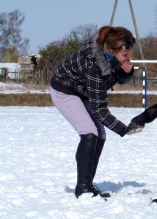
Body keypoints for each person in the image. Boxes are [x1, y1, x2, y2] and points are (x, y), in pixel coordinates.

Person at [50, 25, 140, 199]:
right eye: (125, 55)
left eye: (130, 54)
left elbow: (113, 77)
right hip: (65, 90)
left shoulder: (109, 59)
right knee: (89, 132)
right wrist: (123, 129)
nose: (129, 58)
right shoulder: (94, 64)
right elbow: (99, 110)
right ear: (111, 51)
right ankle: (82, 189)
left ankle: (88, 184)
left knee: (100, 135)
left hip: (82, 90)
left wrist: (126, 73)